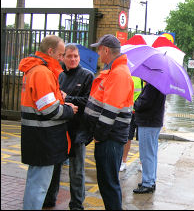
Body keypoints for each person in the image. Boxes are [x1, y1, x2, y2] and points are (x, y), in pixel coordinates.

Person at [18, 35, 78, 210]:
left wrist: (61, 103)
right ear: (50, 52)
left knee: (35, 182)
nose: (62, 59)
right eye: (60, 55)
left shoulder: (37, 70)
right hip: (43, 138)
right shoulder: (42, 73)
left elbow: (45, 103)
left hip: (37, 136)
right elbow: (50, 110)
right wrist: (68, 110)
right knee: (39, 186)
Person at [84, 34, 134, 210]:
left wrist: (98, 135)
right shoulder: (115, 71)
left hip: (109, 138)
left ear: (106, 50)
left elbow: (110, 111)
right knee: (107, 182)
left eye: (99, 49)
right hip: (109, 137)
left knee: (109, 184)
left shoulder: (119, 73)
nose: (98, 54)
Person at [43, 44, 94, 210]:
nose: (73, 59)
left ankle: (77, 204)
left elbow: (88, 102)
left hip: (78, 130)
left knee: (77, 170)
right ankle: (50, 199)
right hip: (59, 129)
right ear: (63, 58)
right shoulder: (59, 76)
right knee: (55, 166)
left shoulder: (87, 76)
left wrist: (67, 98)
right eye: (69, 56)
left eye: (76, 56)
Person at [133, 82, 166, 194]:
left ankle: (147, 183)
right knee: (151, 153)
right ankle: (150, 180)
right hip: (154, 122)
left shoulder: (152, 84)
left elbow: (144, 103)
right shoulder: (159, 83)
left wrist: (135, 104)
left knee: (146, 154)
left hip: (148, 122)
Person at [120, 76, 144, 172]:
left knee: (142, 139)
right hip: (129, 111)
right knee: (127, 138)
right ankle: (123, 161)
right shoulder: (128, 75)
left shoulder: (144, 78)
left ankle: (142, 163)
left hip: (140, 113)